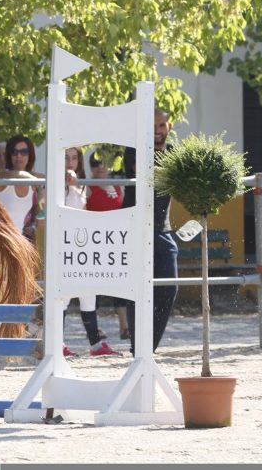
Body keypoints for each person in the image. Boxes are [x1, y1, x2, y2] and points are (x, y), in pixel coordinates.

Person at [122, 108, 179, 353]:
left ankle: (148, 350)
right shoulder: (134, 149)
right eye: (153, 126)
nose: (157, 131)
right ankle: (138, 350)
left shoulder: (175, 153)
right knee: (138, 292)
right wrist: (176, 172)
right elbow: (144, 170)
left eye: (161, 126)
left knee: (169, 288)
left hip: (163, 231)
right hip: (135, 230)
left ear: (169, 127)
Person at [64, 146, 117, 357]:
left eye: (74, 158)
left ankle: (95, 343)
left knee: (88, 293)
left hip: (82, 244)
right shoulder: (55, 185)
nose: (70, 162)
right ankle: (57, 343)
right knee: (65, 296)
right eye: (66, 157)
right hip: (64, 244)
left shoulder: (82, 187)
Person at [86, 148, 130, 340]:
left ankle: (124, 327)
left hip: (115, 240)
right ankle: (95, 329)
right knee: (92, 287)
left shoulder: (119, 185)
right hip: (93, 241)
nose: (99, 167)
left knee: (119, 283)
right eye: (95, 163)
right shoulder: (86, 185)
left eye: (102, 162)